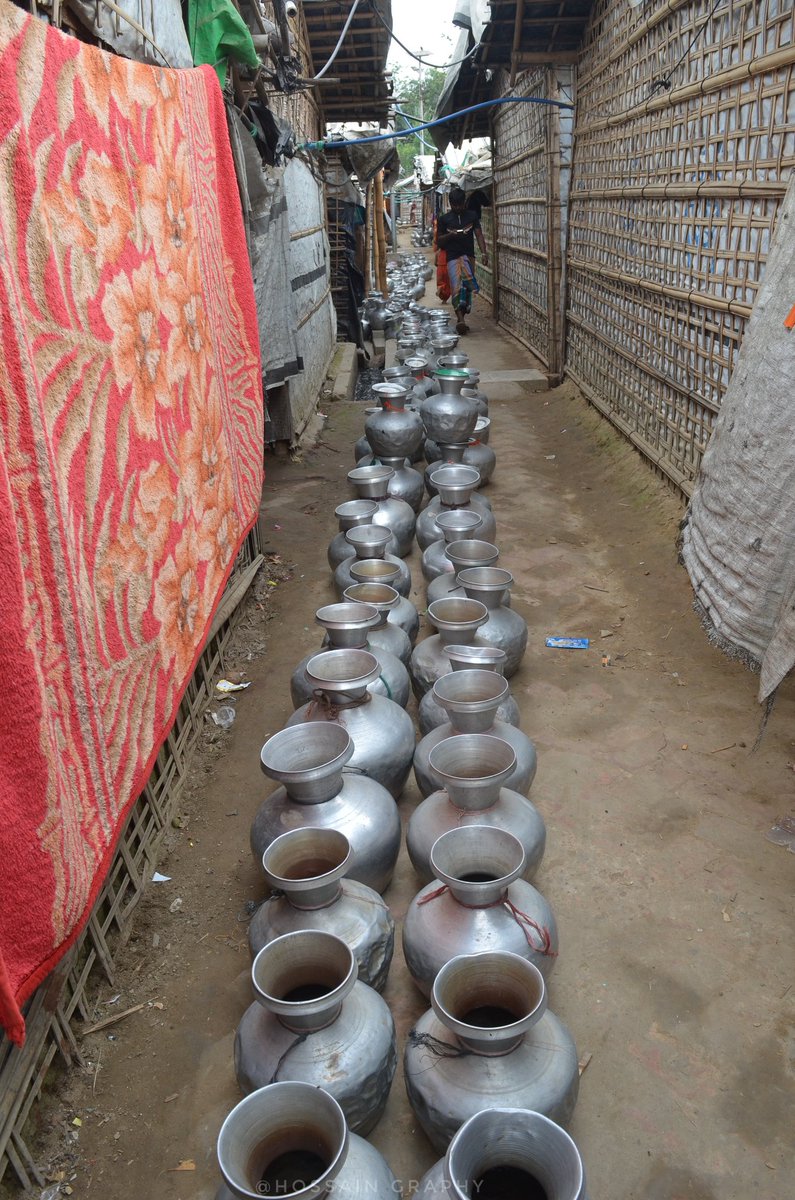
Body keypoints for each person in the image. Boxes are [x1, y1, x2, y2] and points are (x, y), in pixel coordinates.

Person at [435, 187, 489, 334]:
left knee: (466, 288)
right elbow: (439, 241)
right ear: (451, 204)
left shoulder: (472, 216)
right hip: (452, 257)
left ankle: (463, 315)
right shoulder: (444, 219)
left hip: (469, 256)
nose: (458, 208)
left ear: (464, 203)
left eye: (460, 205)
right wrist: (451, 235)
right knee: (456, 287)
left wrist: (484, 253)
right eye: (455, 205)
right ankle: (460, 320)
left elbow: (478, 235)